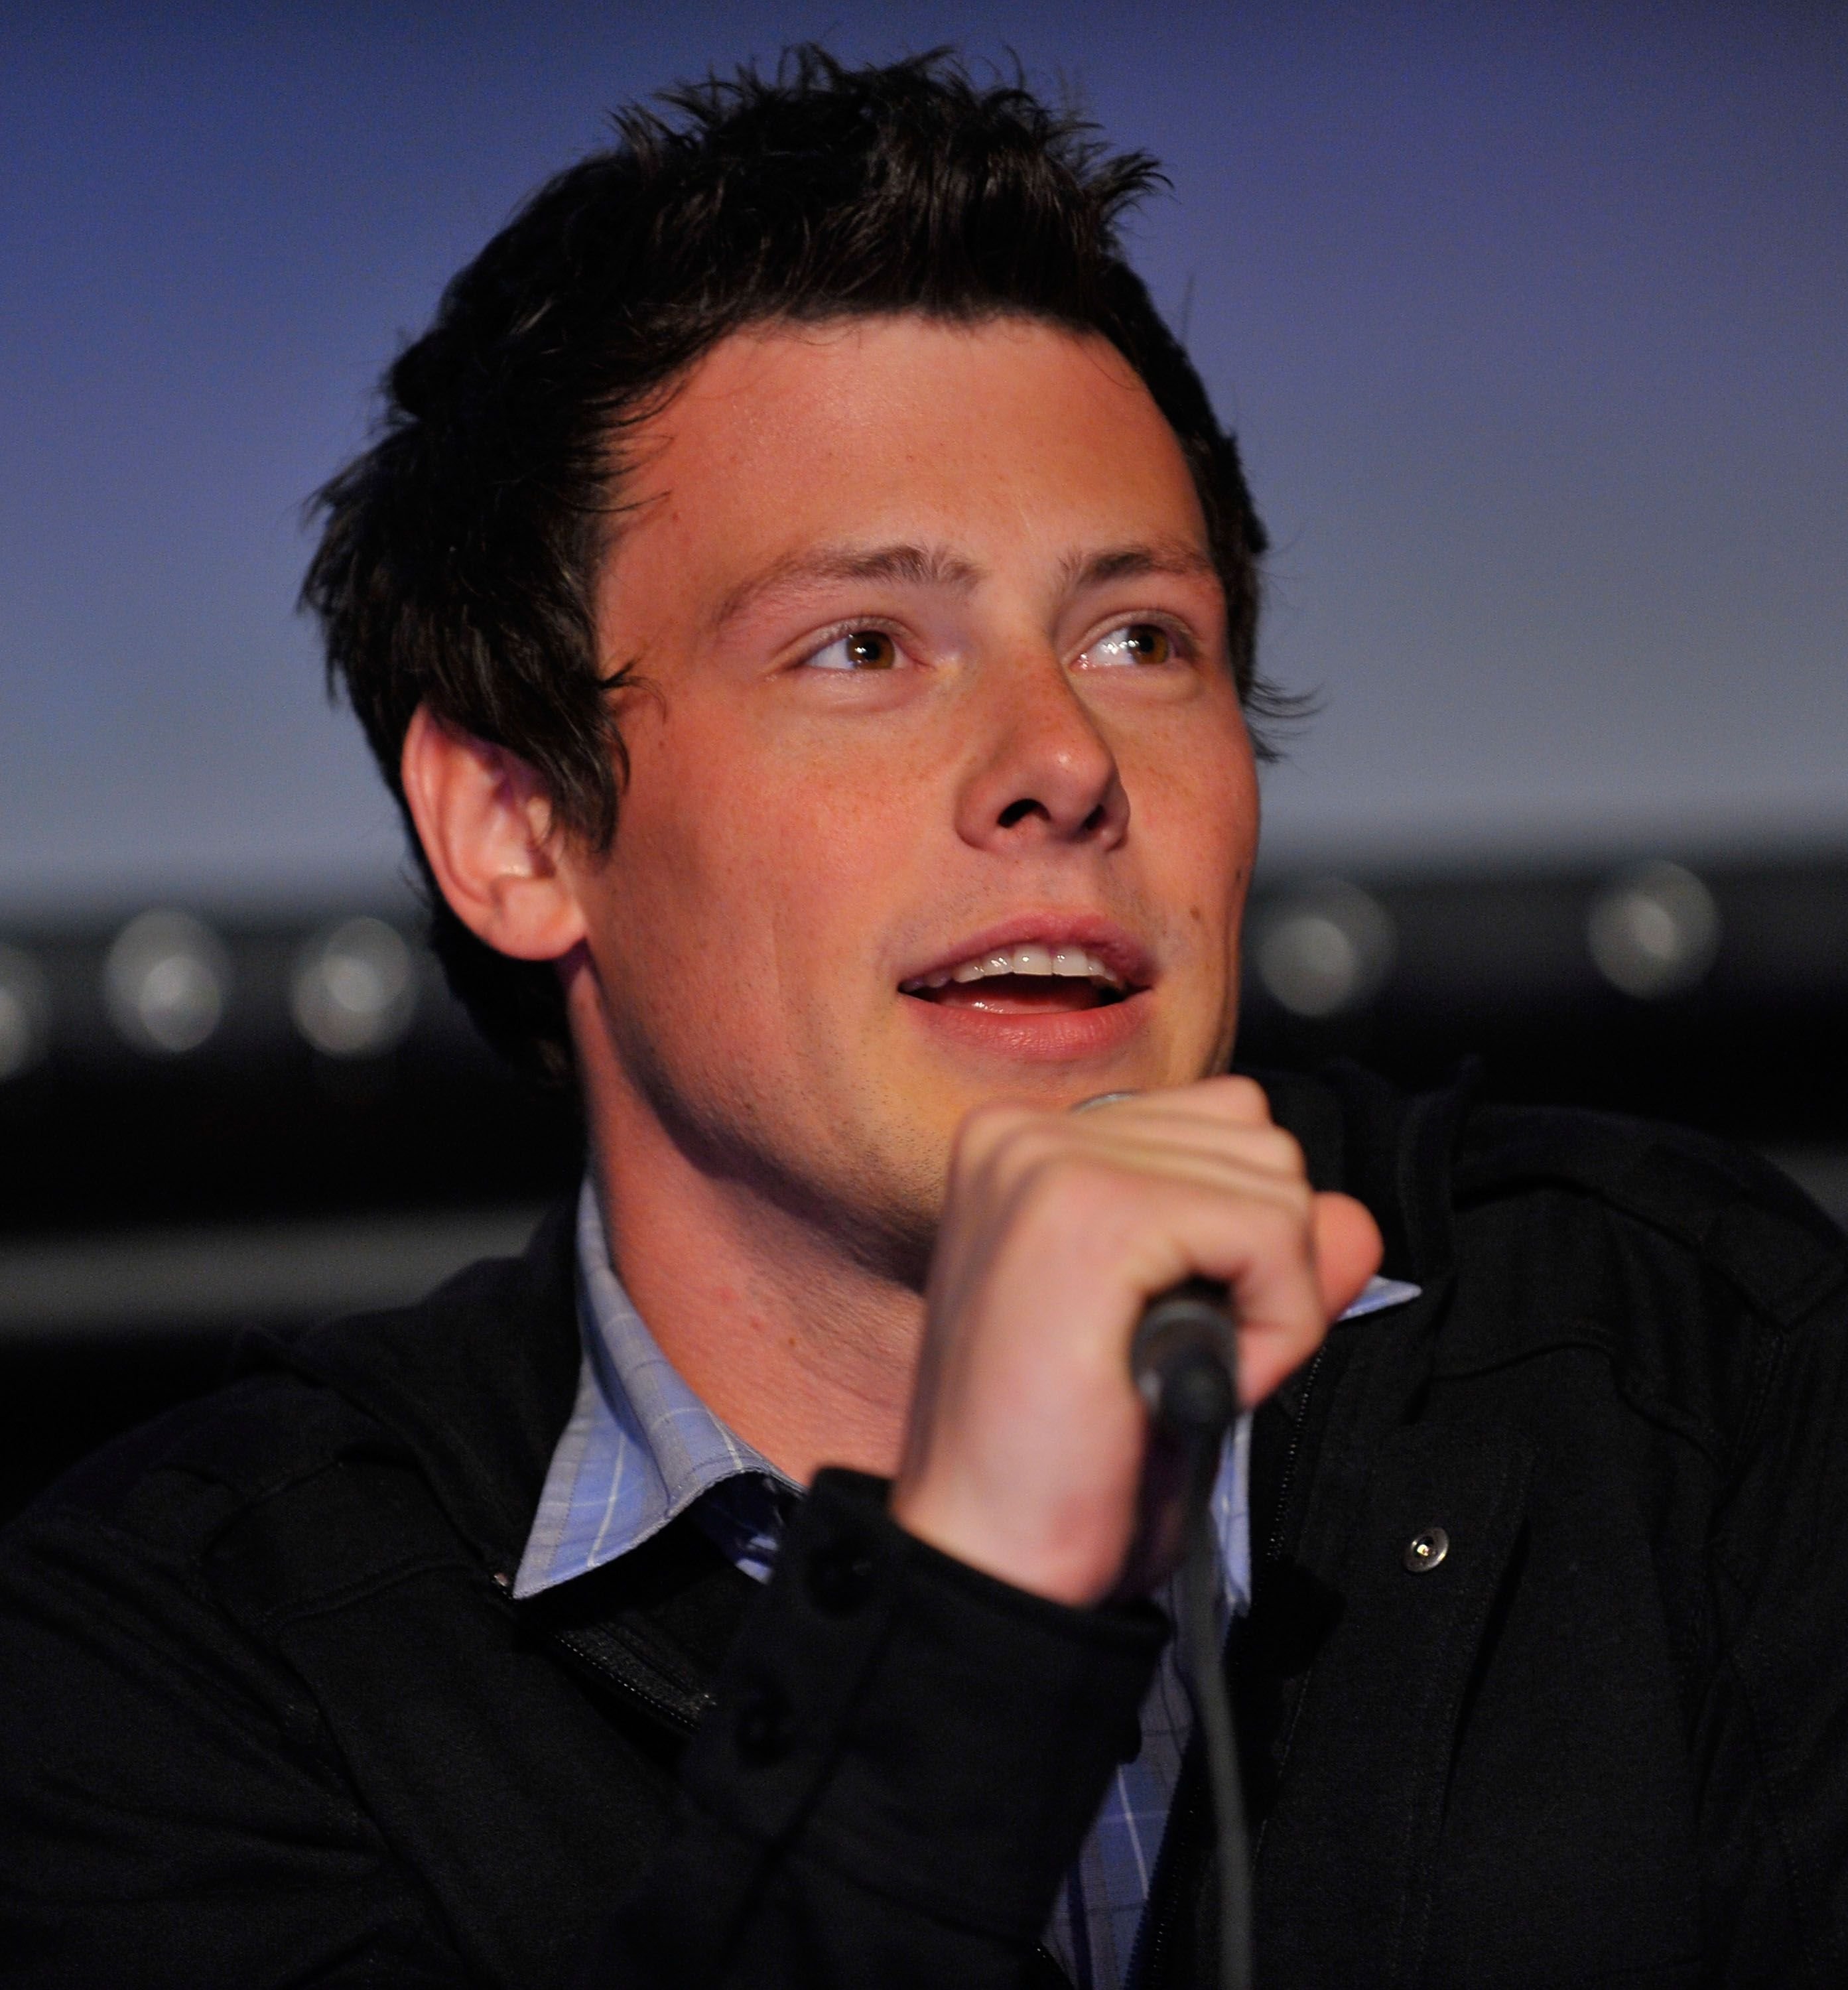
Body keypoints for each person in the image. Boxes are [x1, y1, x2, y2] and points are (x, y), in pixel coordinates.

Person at [3, 48, 1846, 1989]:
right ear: (515, 826)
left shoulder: (1690, 1373)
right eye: (862, 648)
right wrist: (972, 1603)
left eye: (1140, 639)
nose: (1057, 759)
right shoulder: (176, 1662)